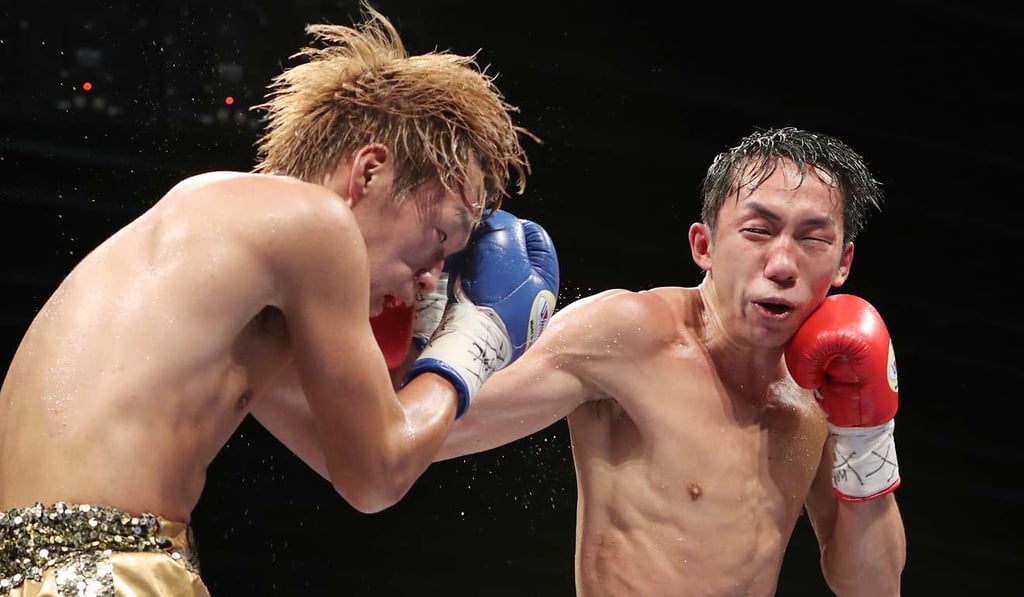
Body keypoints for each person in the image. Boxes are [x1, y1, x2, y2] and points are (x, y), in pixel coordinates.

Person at [0, 2, 559, 594]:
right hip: (109, 574)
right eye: (440, 235)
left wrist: (436, 362)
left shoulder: (221, 272)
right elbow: (380, 470)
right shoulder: (314, 222)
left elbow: (357, 465)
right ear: (369, 171)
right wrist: (475, 338)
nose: (429, 277)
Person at [434, 126, 907, 596]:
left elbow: (875, 588)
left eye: (812, 239)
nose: (782, 264)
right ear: (704, 246)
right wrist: (440, 334)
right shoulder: (629, 333)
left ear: (843, 262)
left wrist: (868, 435)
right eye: (758, 231)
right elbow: (425, 436)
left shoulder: (822, 390)